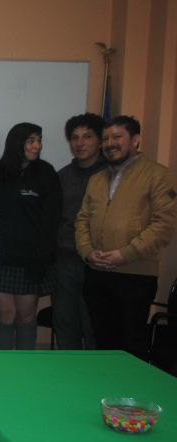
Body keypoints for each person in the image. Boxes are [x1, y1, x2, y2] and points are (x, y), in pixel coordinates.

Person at [76, 115, 177, 362]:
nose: (110, 143)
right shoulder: (97, 179)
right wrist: (87, 251)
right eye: (105, 139)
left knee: (132, 344)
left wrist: (124, 254)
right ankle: (104, 385)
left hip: (135, 274)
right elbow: (82, 220)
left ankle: (132, 388)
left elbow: (163, 225)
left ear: (136, 139)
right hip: (97, 272)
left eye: (117, 137)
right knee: (103, 342)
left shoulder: (158, 175)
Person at [0, 123, 62, 350]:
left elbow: (52, 218)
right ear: (17, 143)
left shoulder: (46, 172)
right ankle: (3, 366)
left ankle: (25, 365)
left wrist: (42, 258)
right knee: (4, 314)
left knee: (26, 316)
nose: (36, 146)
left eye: (39, 140)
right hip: (1, 258)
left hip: (32, 260)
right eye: (30, 141)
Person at [53, 113, 106, 350]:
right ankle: (68, 367)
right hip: (66, 258)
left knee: (94, 322)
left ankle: (95, 370)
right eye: (74, 137)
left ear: (100, 141)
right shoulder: (62, 176)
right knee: (65, 321)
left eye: (87, 137)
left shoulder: (110, 174)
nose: (80, 143)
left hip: (100, 261)